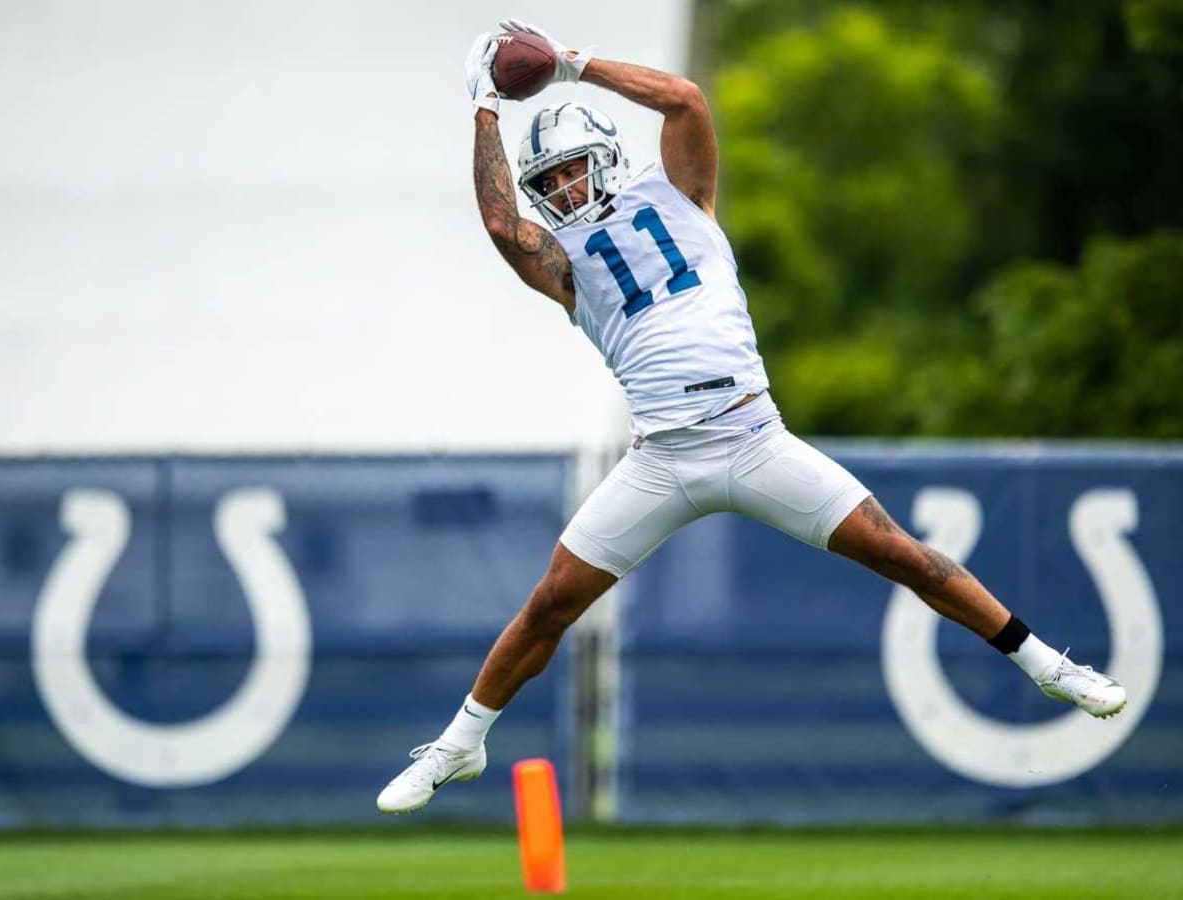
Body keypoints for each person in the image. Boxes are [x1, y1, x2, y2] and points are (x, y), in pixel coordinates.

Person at [375, 19, 1126, 814]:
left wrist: (569, 65)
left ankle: (1046, 663)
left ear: (603, 156)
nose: (563, 190)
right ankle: (460, 745)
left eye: (571, 171)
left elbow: (685, 99)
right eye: (550, 182)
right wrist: (485, 106)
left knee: (900, 553)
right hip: (662, 458)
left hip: (752, 434)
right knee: (552, 604)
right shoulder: (563, 265)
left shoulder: (683, 193)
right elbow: (500, 223)